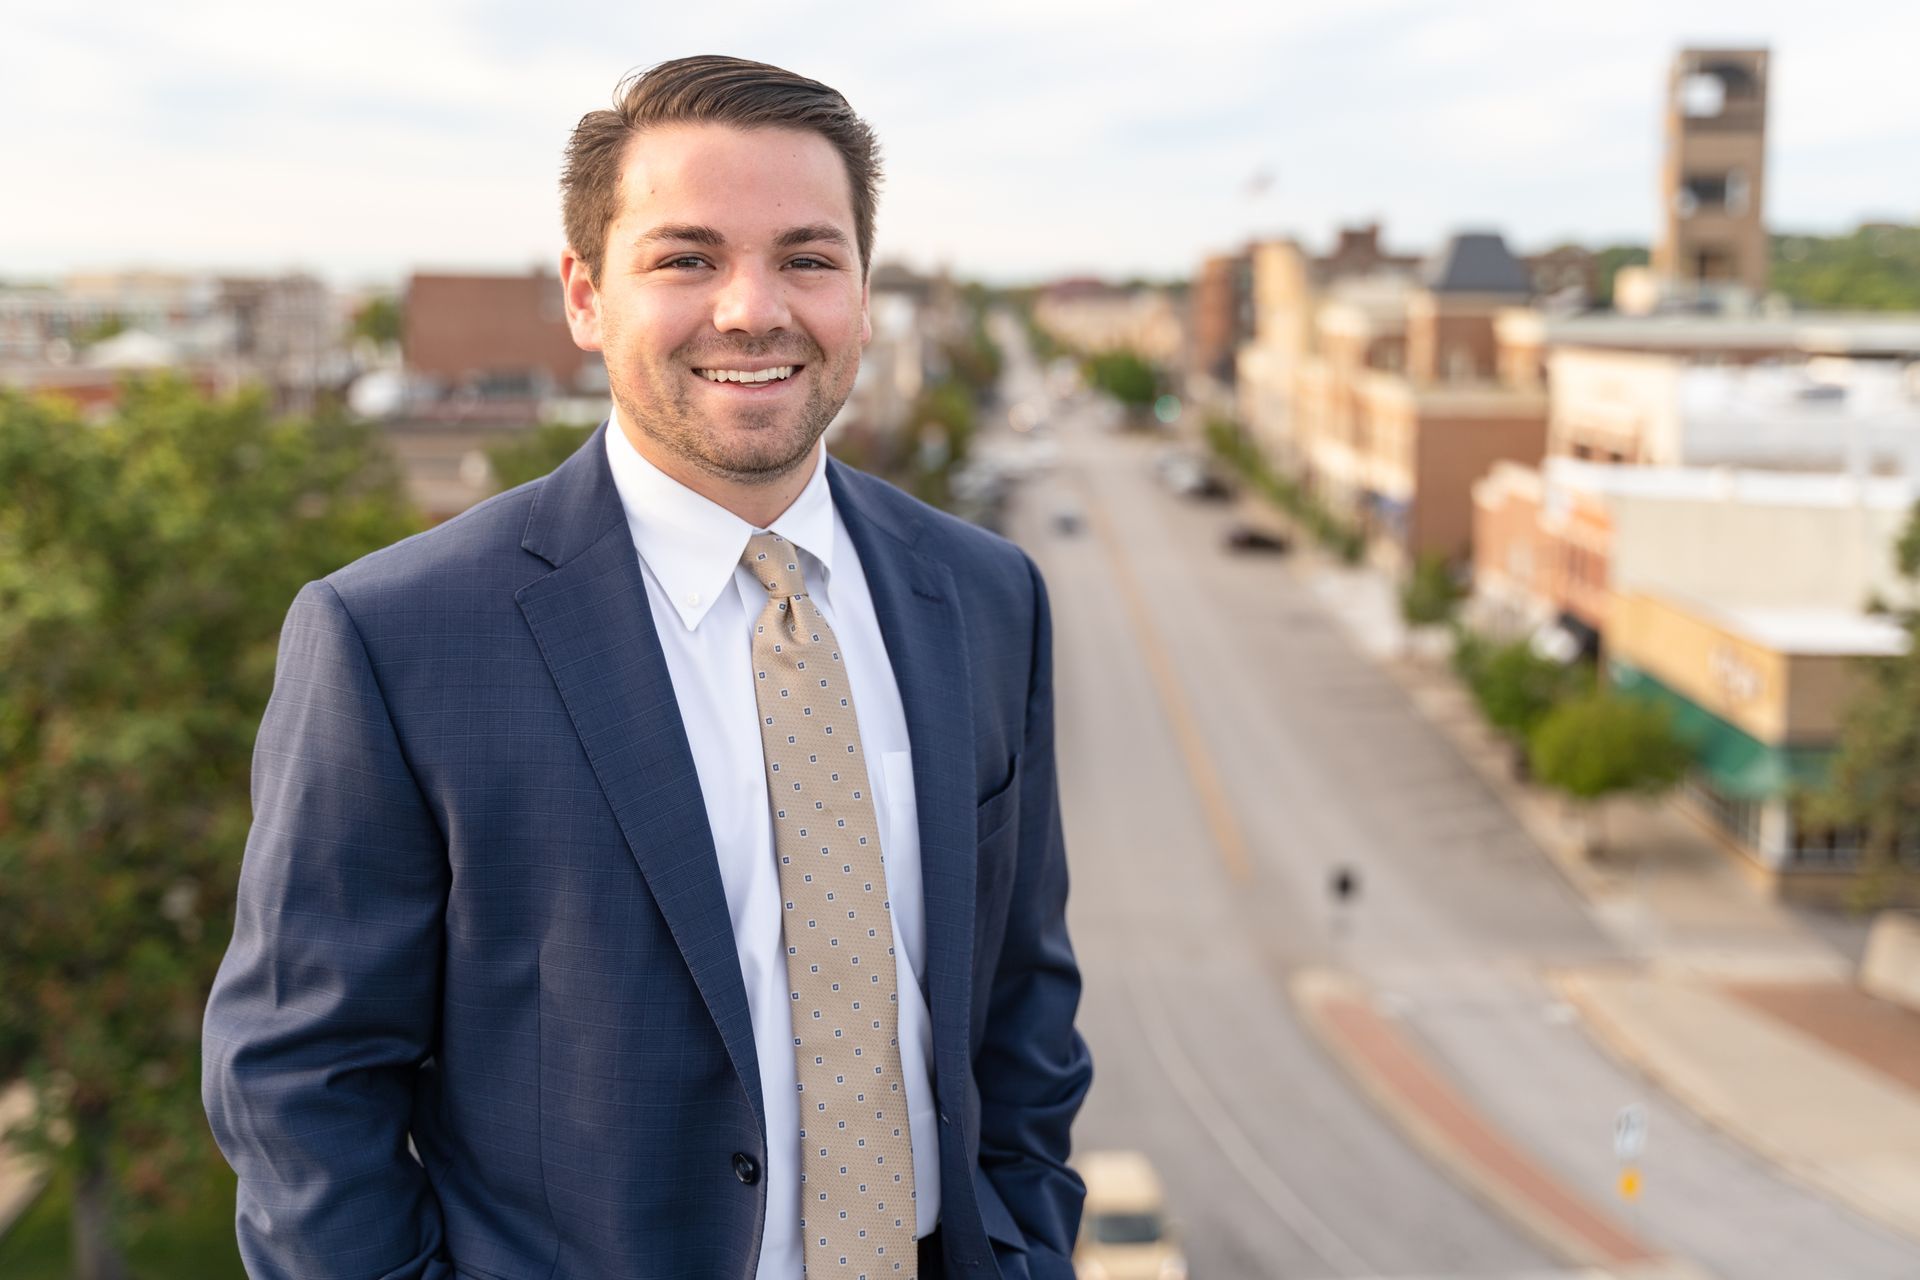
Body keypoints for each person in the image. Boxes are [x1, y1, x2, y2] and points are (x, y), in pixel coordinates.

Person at [201, 55, 1091, 1280]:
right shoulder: (394, 639)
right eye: (686, 258)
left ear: (866, 294)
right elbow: (299, 1081)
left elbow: (1024, 1011)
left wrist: (1025, 1244)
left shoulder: (987, 596)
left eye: (807, 257)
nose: (751, 309)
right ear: (585, 295)